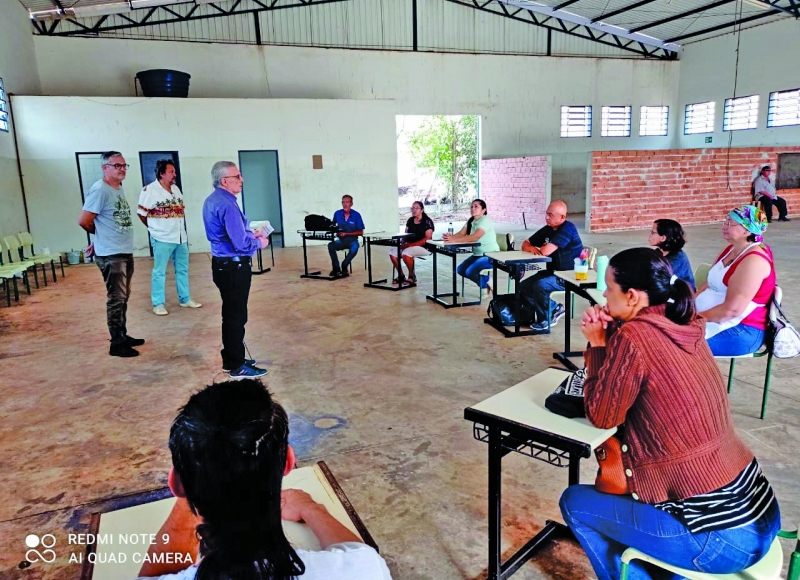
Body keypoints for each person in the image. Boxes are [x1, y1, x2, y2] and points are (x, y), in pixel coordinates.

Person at [559, 247, 780, 580]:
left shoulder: (635, 336)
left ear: (632, 296)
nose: (604, 295)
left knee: (575, 502)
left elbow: (603, 416)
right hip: (759, 513)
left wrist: (598, 344)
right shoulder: (684, 321)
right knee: (631, 507)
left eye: (609, 288)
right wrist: (610, 338)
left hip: (721, 538)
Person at [136, 379, 393, 580]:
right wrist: (311, 508)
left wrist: (200, 481)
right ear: (288, 462)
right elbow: (358, 552)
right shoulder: (364, 571)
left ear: (176, 484)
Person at [202, 161, 269, 379]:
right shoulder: (228, 205)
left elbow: (231, 234)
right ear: (224, 181)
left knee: (231, 313)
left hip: (222, 264)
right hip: (234, 266)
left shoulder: (213, 200)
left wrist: (251, 234)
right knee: (236, 315)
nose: (242, 180)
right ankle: (237, 365)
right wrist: (260, 243)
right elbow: (239, 243)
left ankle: (232, 358)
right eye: (237, 176)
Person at [78, 151, 144, 358]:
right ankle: (116, 343)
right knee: (116, 298)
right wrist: (101, 239)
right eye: (117, 165)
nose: (122, 169)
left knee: (124, 297)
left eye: (124, 165)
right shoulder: (100, 190)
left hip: (123, 251)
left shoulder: (118, 188)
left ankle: (123, 335)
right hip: (112, 254)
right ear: (105, 167)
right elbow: (84, 220)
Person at [695, 205, 776, 356]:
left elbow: (732, 310)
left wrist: (692, 319)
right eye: (725, 222)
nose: (724, 226)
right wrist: (688, 306)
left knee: (671, 344)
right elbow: (709, 283)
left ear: (747, 230)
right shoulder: (730, 250)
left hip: (742, 329)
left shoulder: (754, 261)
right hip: (712, 319)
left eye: (730, 223)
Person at [137, 159, 202, 316]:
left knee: (182, 269)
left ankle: (185, 299)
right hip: (162, 238)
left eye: (174, 171)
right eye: (171, 172)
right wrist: (155, 228)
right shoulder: (149, 191)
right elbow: (141, 214)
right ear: (162, 174)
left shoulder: (176, 189)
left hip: (180, 238)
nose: (175, 174)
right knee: (159, 272)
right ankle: (158, 303)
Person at [519, 201, 583, 331]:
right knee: (523, 286)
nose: (547, 218)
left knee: (541, 285)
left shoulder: (567, 228)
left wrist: (538, 248)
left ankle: (548, 317)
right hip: (553, 272)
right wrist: (534, 248)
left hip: (569, 275)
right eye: (547, 214)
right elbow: (525, 244)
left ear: (562, 218)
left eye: (551, 215)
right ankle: (549, 310)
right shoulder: (549, 228)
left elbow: (545, 251)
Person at [445, 199, 500, 297]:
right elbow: (462, 233)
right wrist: (450, 238)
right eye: (471, 206)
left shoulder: (485, 220)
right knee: (460, 270)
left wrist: (454, 240)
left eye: (476, 206)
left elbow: (475, 237)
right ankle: (486, 283)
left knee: (470, 271)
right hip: (477, 254)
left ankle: (486, 282)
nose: (473, 209)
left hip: (490, 255)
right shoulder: (471, 220)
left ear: (484, 210)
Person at [391, 201, 434, 285]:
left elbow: (427, 238)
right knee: (393, 252)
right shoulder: (410, 220)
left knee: (406, 253)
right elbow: (405, 234)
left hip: (424, 247)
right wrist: (403, 243)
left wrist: (409, 245)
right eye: (412, 208)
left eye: (416, 208)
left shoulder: (427, 221)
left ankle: (411, 276)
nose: (414, 210)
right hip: (409, 245)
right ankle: (401, 275)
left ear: (422, 210)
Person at [648, 218, 695, 291]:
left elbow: (658, 281)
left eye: (653, 232)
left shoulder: (676, 259)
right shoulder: (659, 252)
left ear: (663, 238)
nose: (649, 235)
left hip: (681, 296)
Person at [328, 195, 365, 278]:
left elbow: (361, 232)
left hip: (352, 240)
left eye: (347, 202)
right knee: (331, 245)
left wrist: (347, 234)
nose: (345, 204)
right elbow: (333, 227)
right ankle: (336, 268)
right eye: (343, 202)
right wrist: (336, 233)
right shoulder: (337, 214)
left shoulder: (356, 215)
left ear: (351, 204)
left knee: (355, 247)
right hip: (341, 241)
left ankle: (344, 265)